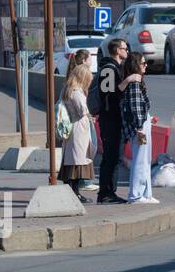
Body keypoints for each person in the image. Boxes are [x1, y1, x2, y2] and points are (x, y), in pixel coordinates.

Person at [94, 37, 129, 204]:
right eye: (125, 48)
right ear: (117, 50)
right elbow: (109, 94)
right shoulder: (108, 69)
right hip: (109, 119)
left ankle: (109, 192)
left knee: (114, 157)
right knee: (110, 157)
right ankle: (106, 193)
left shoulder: (115, 68)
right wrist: (127, 81)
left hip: (114, 119)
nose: (127, 51)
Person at [120, 53, 158, 204]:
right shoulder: (135, 83)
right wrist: (140, 127)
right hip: (140, 126)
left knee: (145, 159)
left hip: (142, 123)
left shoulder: (135, 81)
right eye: (143, 63)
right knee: (141, 160)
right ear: (135, 65)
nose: (146, 65)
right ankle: (136, 195)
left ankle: (146, 193)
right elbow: (136, 107)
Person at [58, 64, 95, 199]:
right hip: (79, 128)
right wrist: (90, 113)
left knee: (71, 159)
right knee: (78, 160)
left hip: (72, 127)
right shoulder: (77, 92)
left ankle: (73, 192)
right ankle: (75, 193)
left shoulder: (67, 90)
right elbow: (83, 110)